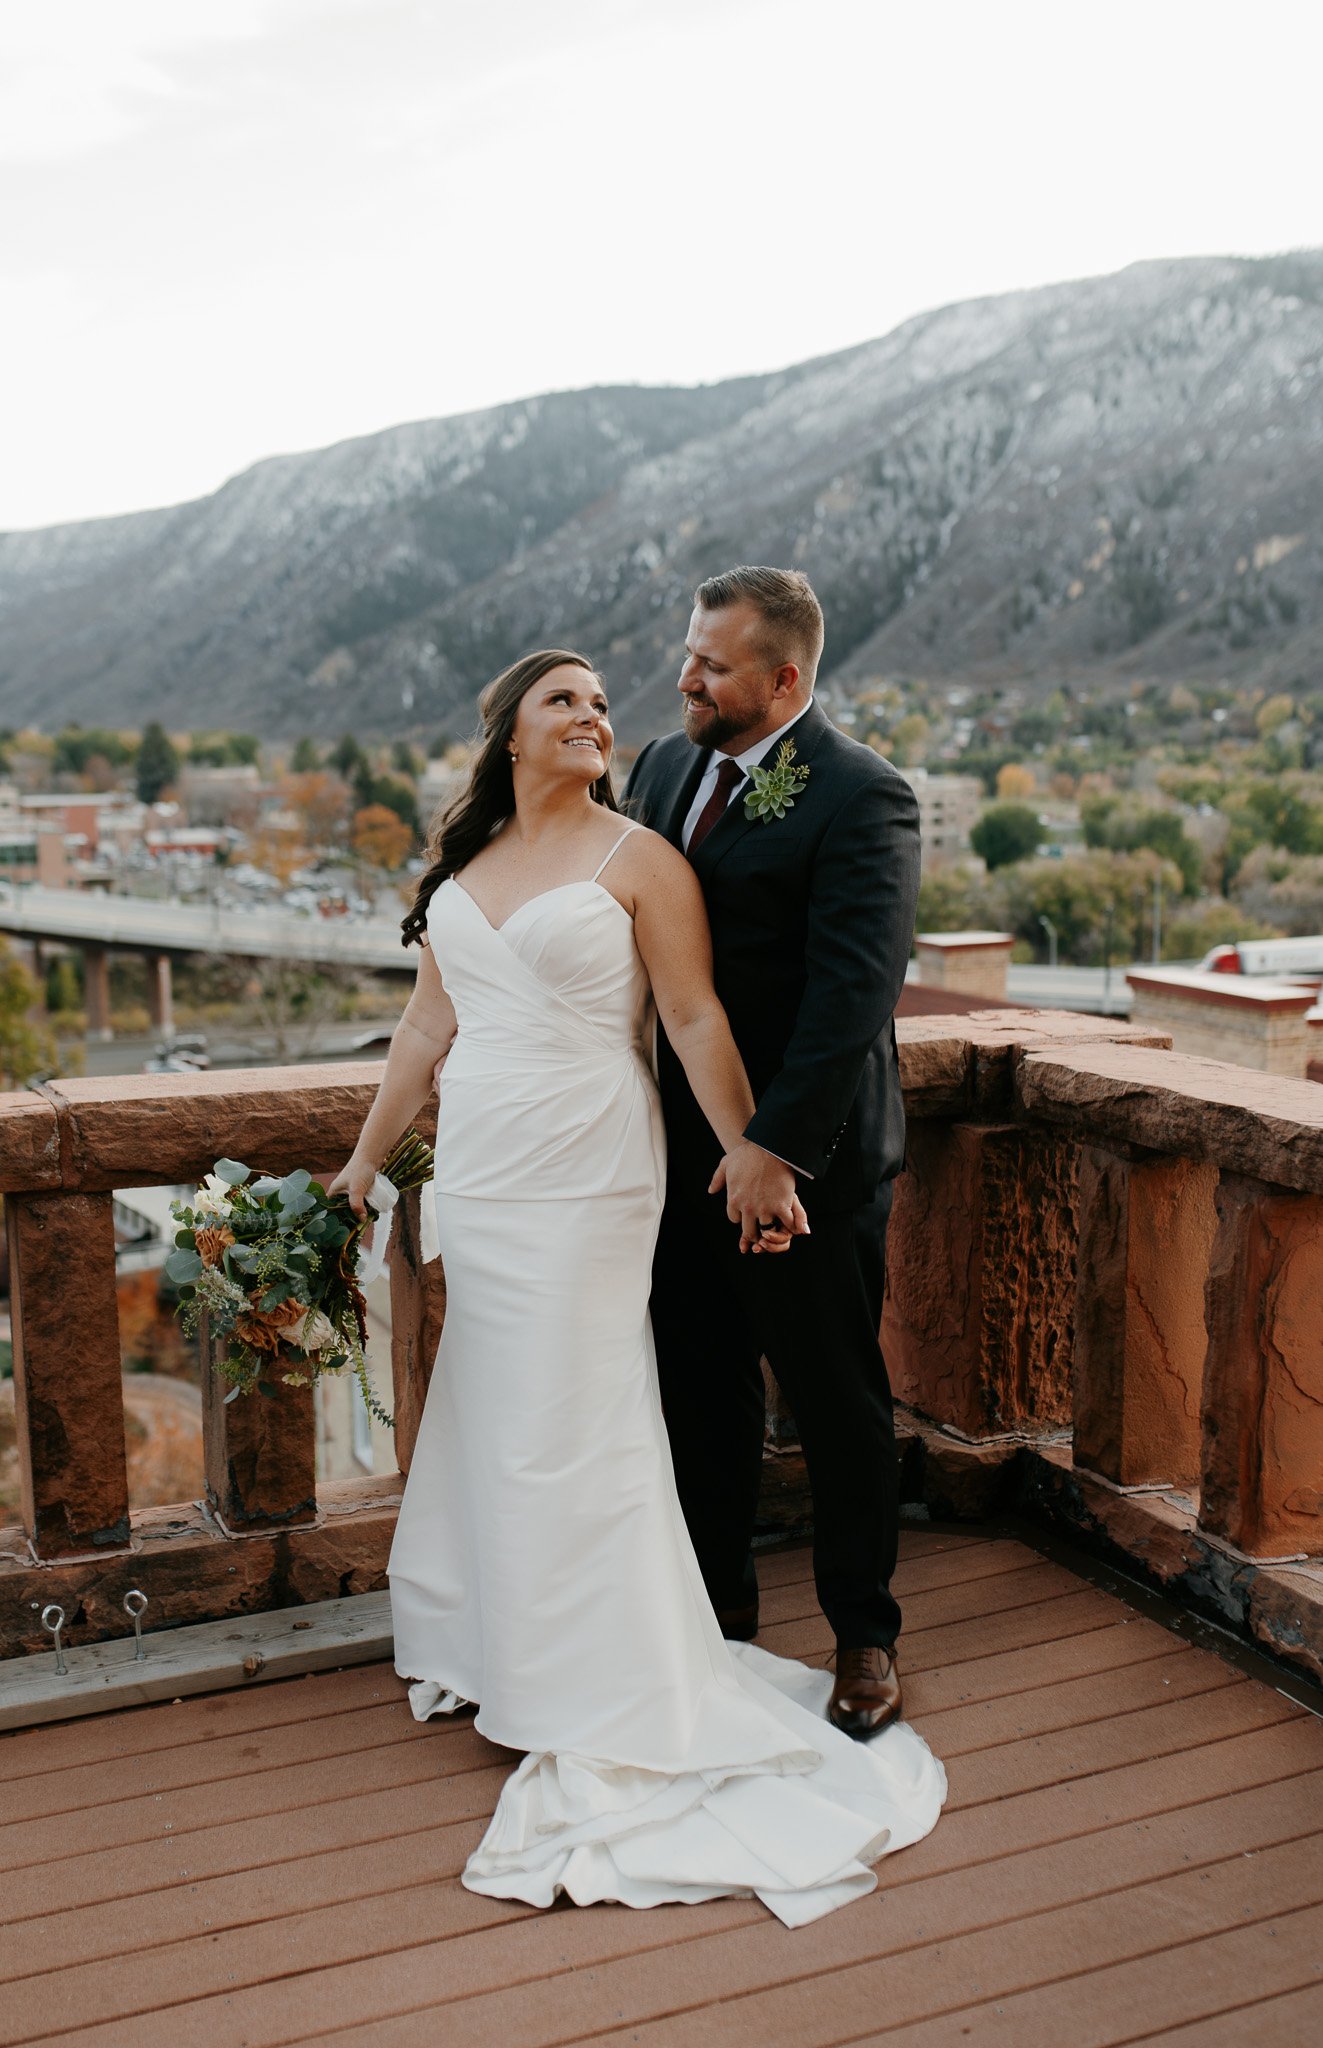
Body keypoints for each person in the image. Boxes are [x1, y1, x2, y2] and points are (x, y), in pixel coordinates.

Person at [331, 645, 942, 1926]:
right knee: (495, 1400)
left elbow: (697, 1020)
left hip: (596, 1170)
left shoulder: (640, 858)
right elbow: (425, 1030)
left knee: (582, 1414)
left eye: (605, 703)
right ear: (509, 732)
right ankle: (494, 1637)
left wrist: (748, 1157)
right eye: (567, 699)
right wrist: (361, 1163)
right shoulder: (461, 869)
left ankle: (600, 1669)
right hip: (488, 1176)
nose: (599, 715)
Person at [623, 566, 921, 1739]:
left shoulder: (863, 795)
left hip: (808, 1165)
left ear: (784, 679)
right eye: (688, 651)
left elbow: (852, 994)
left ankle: (864, 1635)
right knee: (699, 1392)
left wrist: (773, 1149)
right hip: (673, 1158)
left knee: (837, 1399)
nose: (683, 675)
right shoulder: (658, 764)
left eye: (711, 662)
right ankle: (716, 1612)